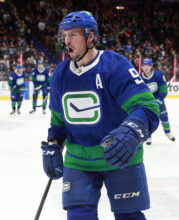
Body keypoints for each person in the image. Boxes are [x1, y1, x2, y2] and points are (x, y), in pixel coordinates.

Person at [40, 11, 160, 220]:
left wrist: (132, 131)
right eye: (64, 35)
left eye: (73, 34)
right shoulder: (60, 73)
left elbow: (148, 107)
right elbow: (58, 121)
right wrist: (54, 143)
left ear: (91, 36)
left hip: (120, 156)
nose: (66, 41)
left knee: (129, 217)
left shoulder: (115, 66)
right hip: (78, 161)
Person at [140, 58, 175, 145]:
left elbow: (163, 90)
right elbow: (139, 92)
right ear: (141, 67)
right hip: (147, 102)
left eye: (148, 66)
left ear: (151, 66)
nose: (146, 68)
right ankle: (148, 136)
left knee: (164, 116)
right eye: (144, 66)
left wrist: (158, 101)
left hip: (159, 100)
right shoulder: (139, 78)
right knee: (147, 119)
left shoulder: (158, 75)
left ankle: (168, 132)